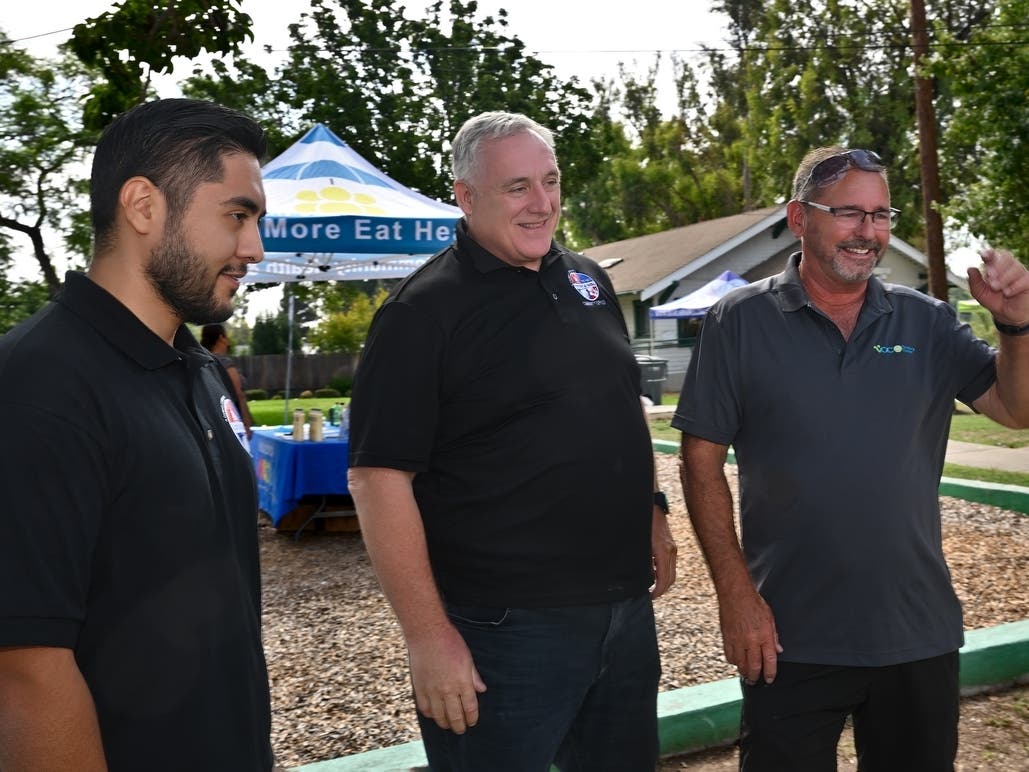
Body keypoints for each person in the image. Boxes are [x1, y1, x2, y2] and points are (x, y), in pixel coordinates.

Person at [674, 146, 1029, 770]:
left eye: (881, 214)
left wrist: (1017, 330)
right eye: (848, 213)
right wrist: (735, 594)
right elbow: (699, 464)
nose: (869, 232)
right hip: (787, 637)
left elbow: (1015, 408)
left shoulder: (927, 322)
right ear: (798, 217)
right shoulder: (739, 321)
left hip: (914, 632)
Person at [347, 111, 678, 771]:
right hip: (504, 631)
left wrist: (654, 514)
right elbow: (377, 479)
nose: (542, 203)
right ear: (465, 197)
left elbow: (617, 409)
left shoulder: (587, 280)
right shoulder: (422, 312)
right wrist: (426, 636)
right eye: (517, 187)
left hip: (620, 612)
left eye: (550, 182)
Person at [0, 98, 274, 770]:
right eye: (237, 216)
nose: (254, 248)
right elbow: (25, 672)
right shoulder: (37, 383)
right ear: (144, 206)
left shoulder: (200, 369)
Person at [202, 322, 255, 438]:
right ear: (221, 338)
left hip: (211, 421)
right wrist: (246, 423)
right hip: (233, 420)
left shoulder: (202, 363)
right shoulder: (225, 364)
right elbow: (239, 395)